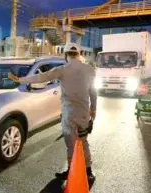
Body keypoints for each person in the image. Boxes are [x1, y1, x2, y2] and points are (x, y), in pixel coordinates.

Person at [8, 43, 97, 183]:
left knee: (71, 144)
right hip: (84, 113)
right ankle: (88, 171)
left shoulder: (62, 69)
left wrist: (20, 79)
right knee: (83, 141)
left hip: (69, 114)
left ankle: (71, 171)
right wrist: (94, 109)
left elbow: (41, 77)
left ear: (66, 55)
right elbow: (93, 91)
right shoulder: (90, 70)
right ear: (79, 55)